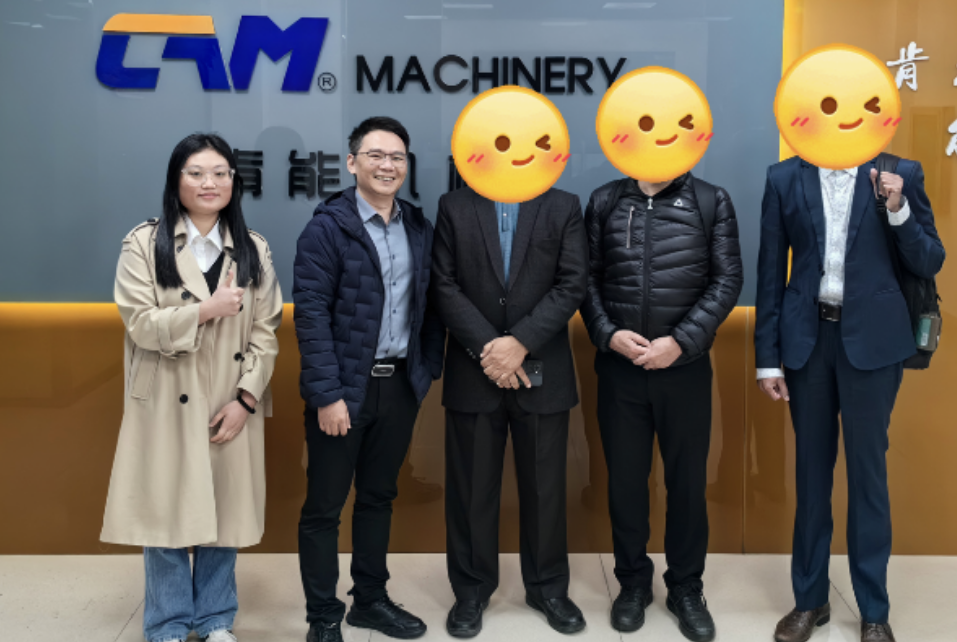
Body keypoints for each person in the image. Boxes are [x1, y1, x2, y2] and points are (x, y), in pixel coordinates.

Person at [102, 132, 283, 642]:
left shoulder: (253, 248)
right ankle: (167, 623)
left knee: (223, 514)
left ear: (234, 181)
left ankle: (216, 619)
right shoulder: (144, 243)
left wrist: (246, 399)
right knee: (164, 515)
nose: (210, 183)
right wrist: (205, 311)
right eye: (197, 173)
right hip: (165, 400)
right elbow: (139, 323)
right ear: (176, 180)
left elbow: (266, 332)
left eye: (220, 173)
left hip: (228, 398)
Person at [755, 157, 944, 642]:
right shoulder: (784, 177)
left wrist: (898, 208)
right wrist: (768, 359)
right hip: (808, 340)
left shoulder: (899, 173)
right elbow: (770, 269)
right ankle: (809, 601)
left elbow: (929, 260)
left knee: (867, 476)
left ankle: (874, 610)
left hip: (873, 344)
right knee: (811, 474)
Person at [294, 117, 445, 642]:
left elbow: (430, 305)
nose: (387, 165)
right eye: (376, 155)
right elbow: (311, 315)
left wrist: (425, 371)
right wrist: (327, 395)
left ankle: (370, 601)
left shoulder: (418, 226)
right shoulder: (327, 228)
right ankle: (323, 617)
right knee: (324, 508)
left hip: (399, 385)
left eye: (397, 157)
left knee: (379, 497)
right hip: (343, 390)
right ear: (352, 162)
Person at [581, 172, 743, 641]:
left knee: (687, 484)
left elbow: (727, 279)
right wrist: (608, 333)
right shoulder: (605, 199)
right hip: (621, 368)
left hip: (684, 369)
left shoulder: (711, 199)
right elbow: (585, 278)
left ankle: (686, 587)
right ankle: (632, 583)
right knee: (625, 482)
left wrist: (682, 341)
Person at [431, 182, 590, 637]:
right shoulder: (454, 205)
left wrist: (520, 342)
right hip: (474, 368)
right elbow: (443, 285)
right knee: (471, 491)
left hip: (543, 370)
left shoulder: (563, 204)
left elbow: (572, 283)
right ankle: (471, 591)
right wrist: (492, 349)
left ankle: (547, 588)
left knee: (545, 489)